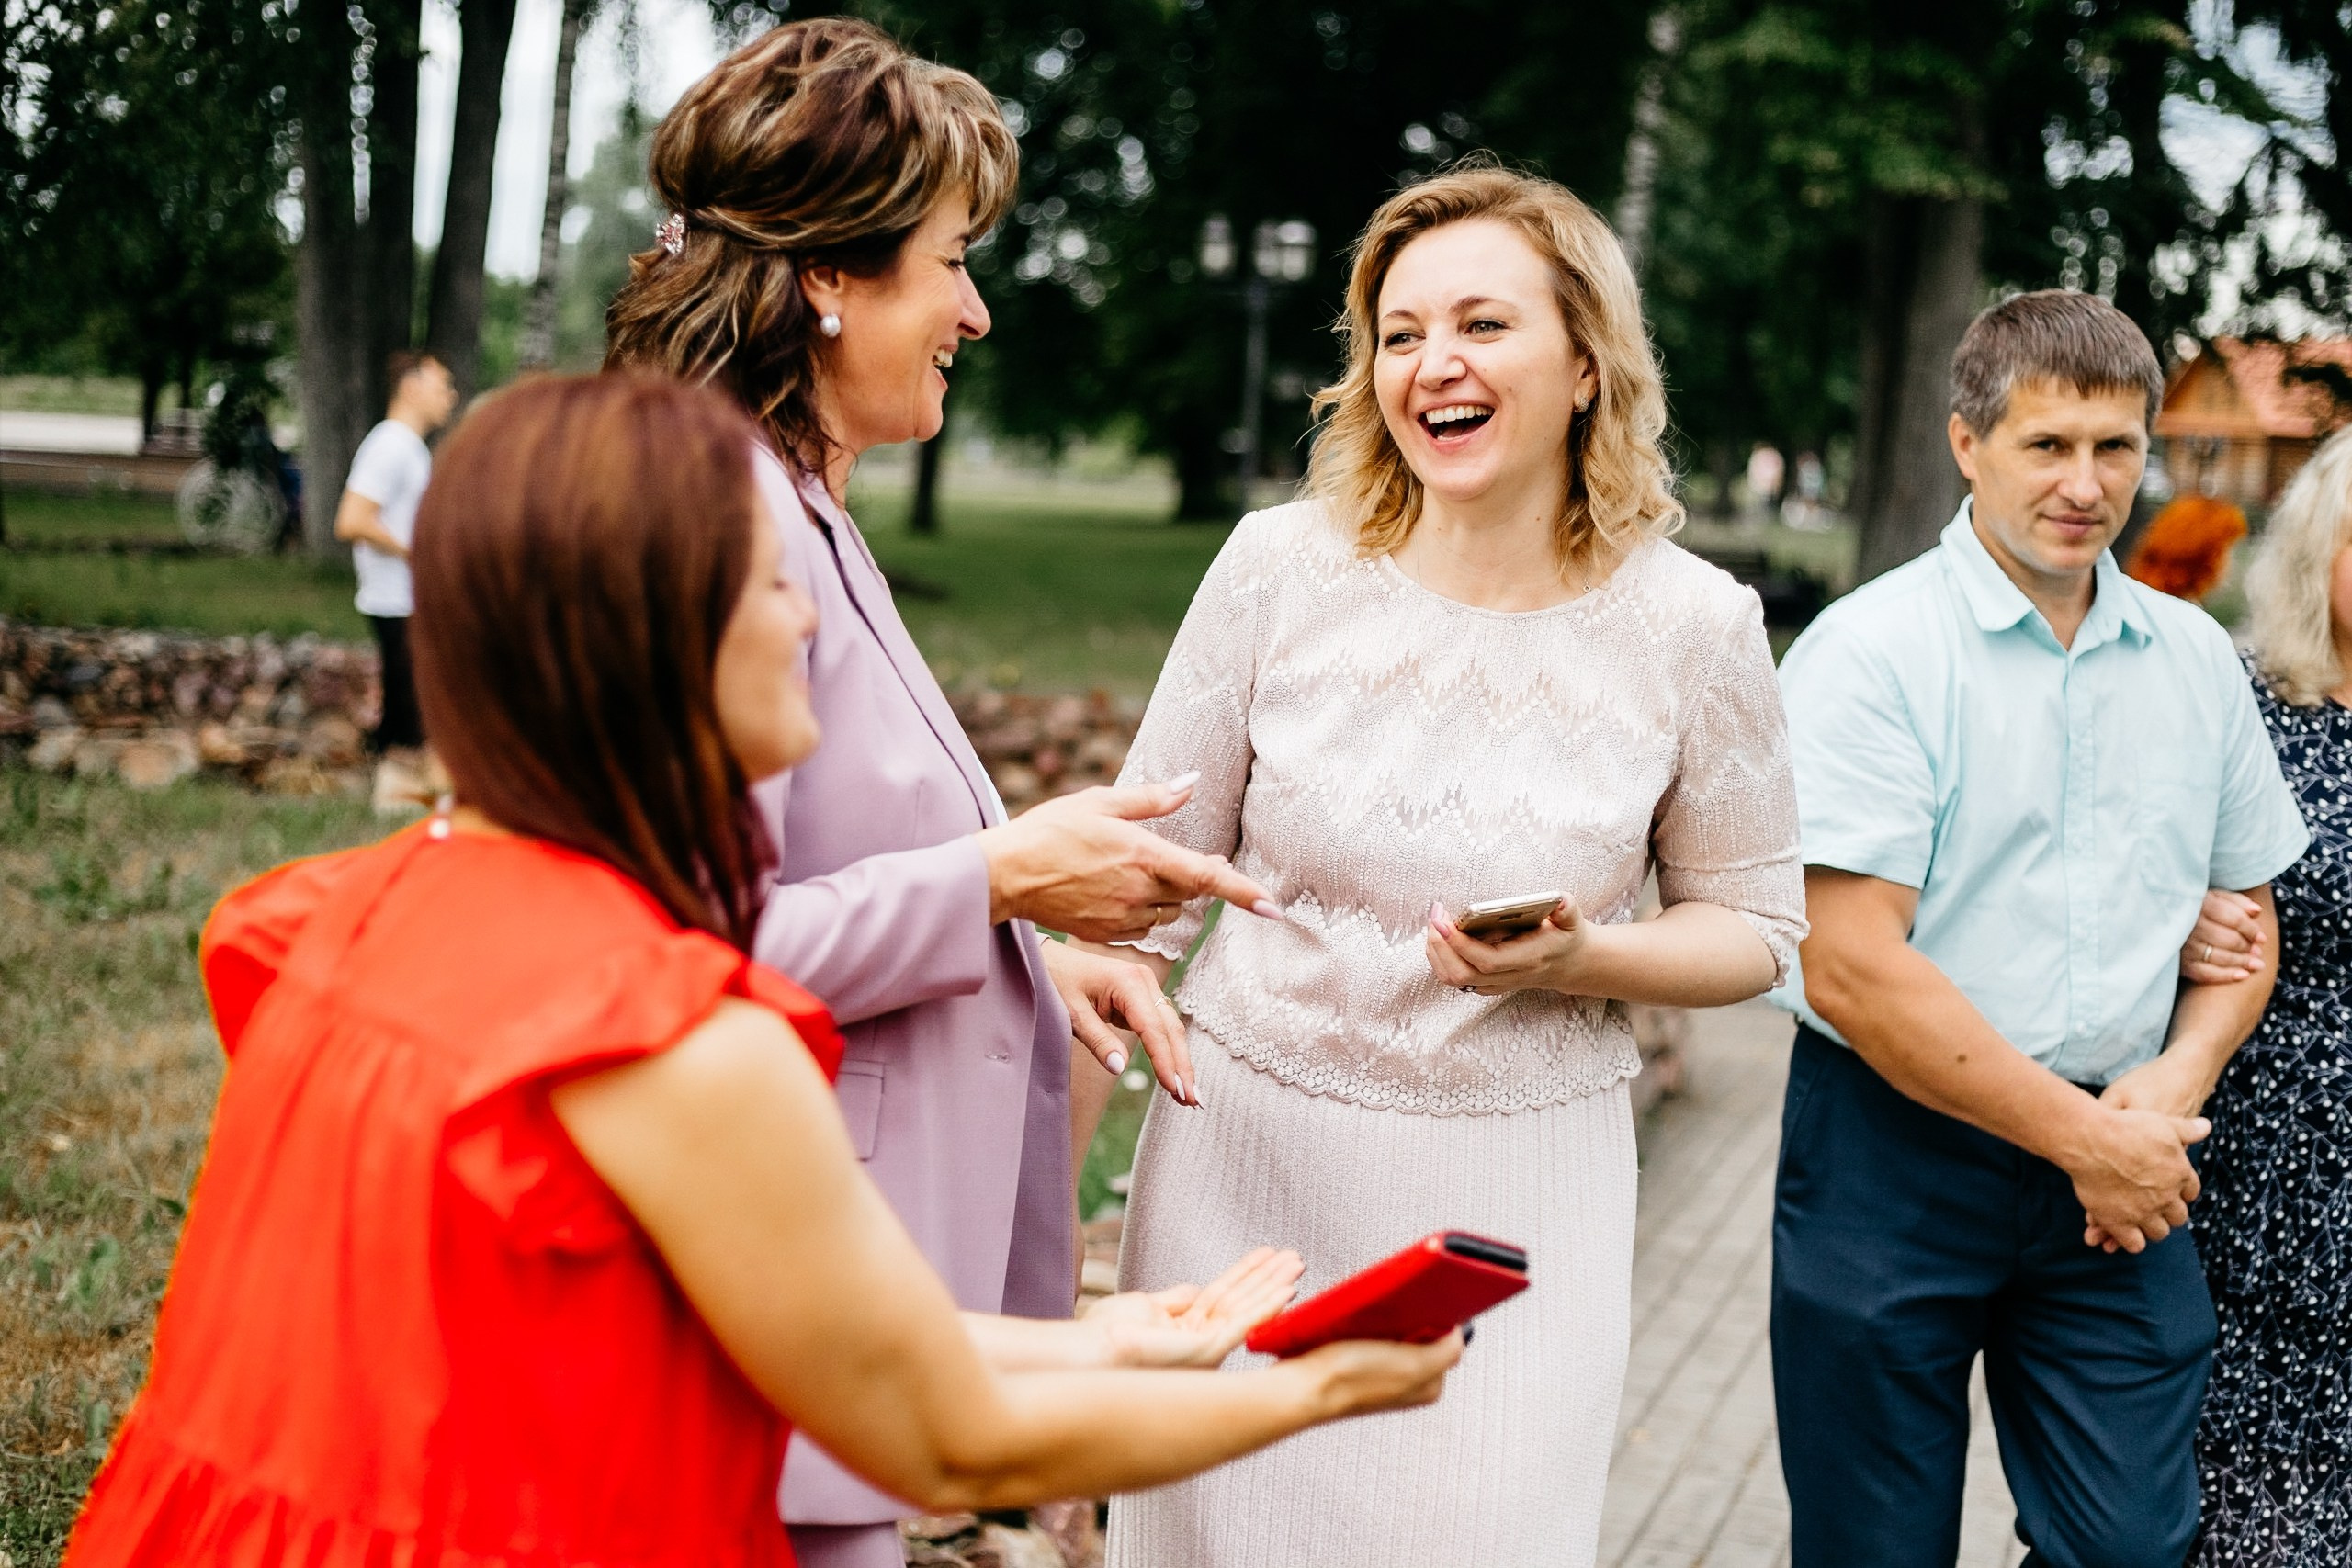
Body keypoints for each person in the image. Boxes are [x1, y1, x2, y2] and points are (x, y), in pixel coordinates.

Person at [61, 372, 1460, 1568]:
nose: (807, 620)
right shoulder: (666, 1031)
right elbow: (934, 1424)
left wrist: (1142, 1338)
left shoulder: (355, 910)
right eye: (769, 578)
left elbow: (871, 1337)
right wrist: (1315, 1386)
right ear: (645, 629)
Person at [600, 23, 1283, 1566]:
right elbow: (675, 959)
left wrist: (1039, 944)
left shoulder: (807, 501)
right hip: (769, 1297)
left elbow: (855, 858)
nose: (974, 310)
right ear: (830, 279)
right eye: (950, 262)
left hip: (849, 1295)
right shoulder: (726, 524)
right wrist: (1002, 880)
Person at [1088, 163, 1805, 1567]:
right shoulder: (1273, 569)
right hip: (1246, 1163)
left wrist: (1585, 956)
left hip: (1513, 1200)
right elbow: (1141, 876)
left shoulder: (1696, 625)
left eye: (1481, 324)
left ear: (1587, 361)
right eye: (1400, 332)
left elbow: (1757, 925)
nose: (1434, 365)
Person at [1769, 289, 2311, 1568]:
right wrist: (2090, 1140)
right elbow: (1851, 966)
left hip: (2116, 1170)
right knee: (1873, 1548)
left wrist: (2167, 1086)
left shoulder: (2194, 658)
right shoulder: (1871, 653)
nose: (2087, 483)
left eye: (2116, 446)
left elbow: (2249, 930)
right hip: (1890, 1149)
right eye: (2047, 444)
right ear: (1968, 443)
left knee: (2129, 1543)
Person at [2165, 425, 2352, 1562]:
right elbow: (2118, 868)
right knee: (2246, 1509)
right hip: (2266, 1169)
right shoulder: (2240, 702)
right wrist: (2170, 914)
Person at [334, 349, 458, 814]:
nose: (451, 394)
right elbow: (351, 520)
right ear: (411, 386)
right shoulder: (390, 445)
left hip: (406, 599)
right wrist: (419, 554)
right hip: (394, 599)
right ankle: (398, 800)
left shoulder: (408, 447)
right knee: (411, 712)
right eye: (441, 383)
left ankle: (395, 790)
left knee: (407, 704)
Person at [2125, 493, 2249, 604]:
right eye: (2227, 550)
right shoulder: (2187, 620)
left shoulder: (2139, 601)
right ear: (2205, 558)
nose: (2231, 563)